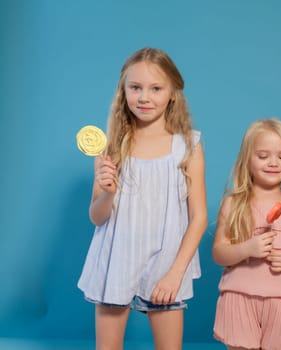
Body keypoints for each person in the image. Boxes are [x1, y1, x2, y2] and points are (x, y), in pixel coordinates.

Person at [77, 47, 207, 350]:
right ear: (124, 91)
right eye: (135, 87)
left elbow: (198, 217)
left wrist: (176, 273)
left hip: (167, 262)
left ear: (173, 92)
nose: (144, 97)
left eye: (156, 88)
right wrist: (107, 191)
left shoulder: (188, 146)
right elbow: (97, 217)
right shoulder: (111, 147)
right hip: (116, 258)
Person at [212, 118, 281, 350]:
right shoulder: (233, 203)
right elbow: (219, 253)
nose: (274, 163)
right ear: (247, 160)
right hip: (239, 296)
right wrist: (246, 249)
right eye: (263, 156)